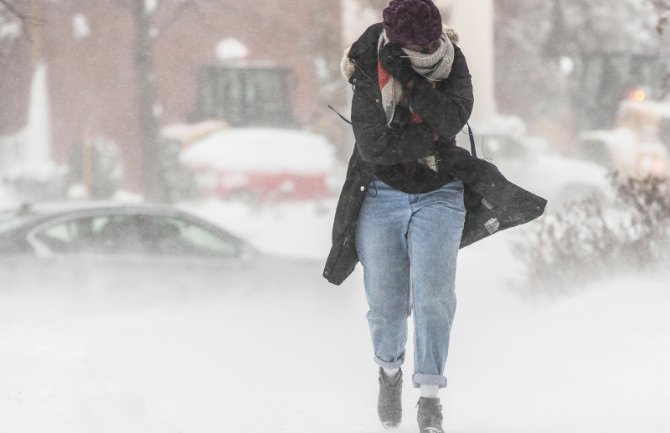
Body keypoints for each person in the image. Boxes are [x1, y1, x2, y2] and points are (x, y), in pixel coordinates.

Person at [323, 0, 547, 432]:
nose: (428, 50)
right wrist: (432, 140)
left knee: (433, 299)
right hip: (381, 194)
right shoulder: (368, 65)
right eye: (417, 48)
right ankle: (389, 372)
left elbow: (450, 118)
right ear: (396, 41)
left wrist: (408, 78)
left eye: (431, 42)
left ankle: (429, 397)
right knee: (387, 306)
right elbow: (376, 149)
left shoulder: (451, 61)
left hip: (441, 193)